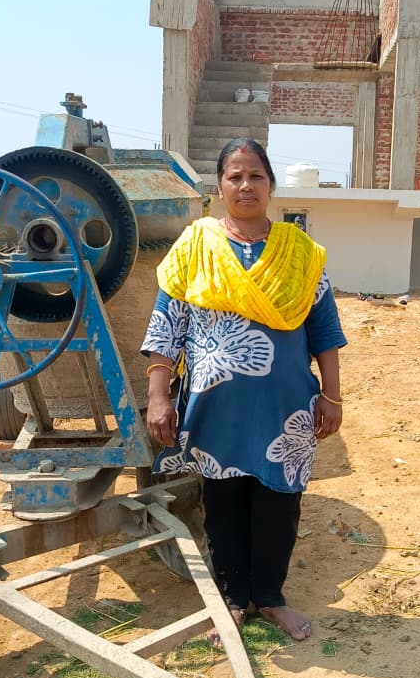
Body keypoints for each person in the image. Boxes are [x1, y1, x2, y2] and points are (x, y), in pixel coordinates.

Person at [141, 138, 346, 644]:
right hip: (217, 410)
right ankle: (233, 599)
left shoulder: (301, 254)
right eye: (234, 176)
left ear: (271, 184)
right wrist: (159, 396)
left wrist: (333, 395)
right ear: (219, 188)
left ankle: (270, 597)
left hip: (286, 409)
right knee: (224, 503)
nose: (246, 185)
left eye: (255, 175)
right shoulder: (195, 247)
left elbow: (324, 330)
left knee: (280, 503)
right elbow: (166, 327)